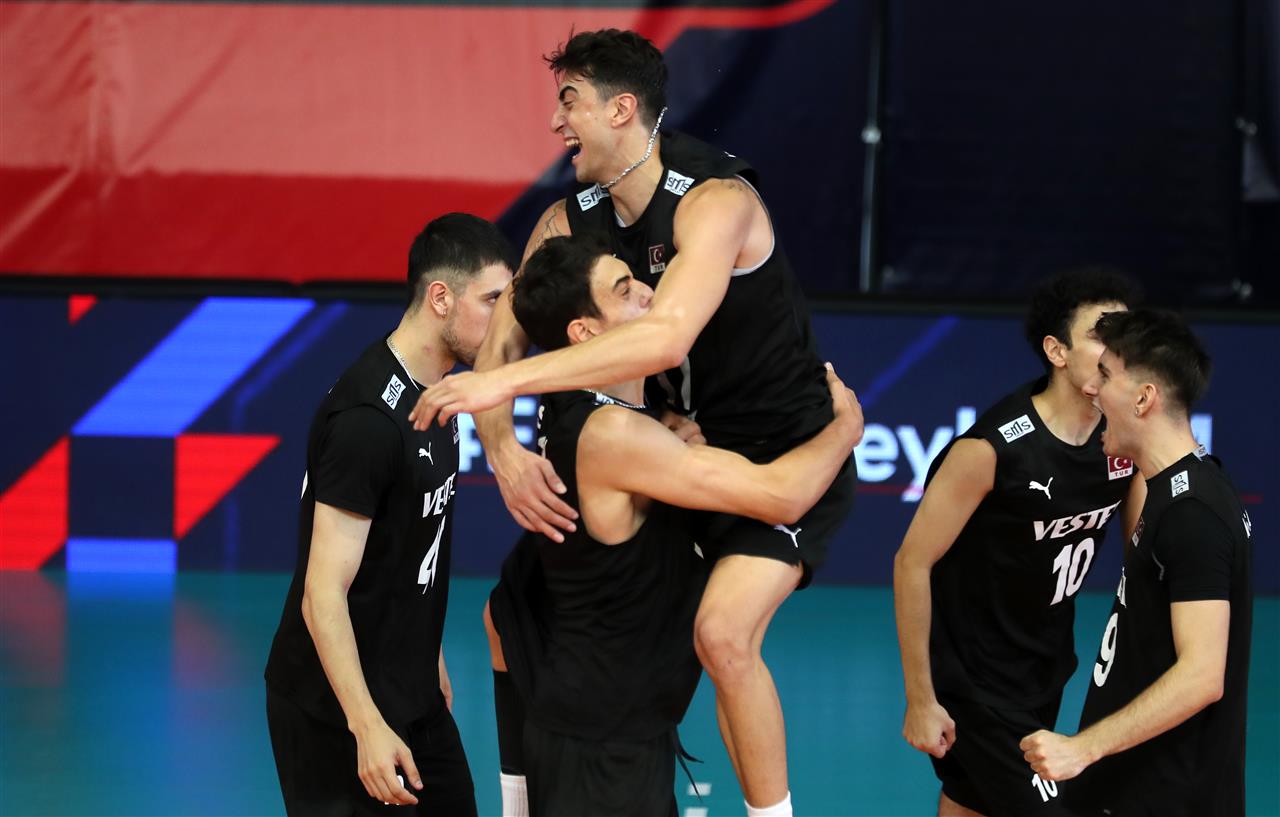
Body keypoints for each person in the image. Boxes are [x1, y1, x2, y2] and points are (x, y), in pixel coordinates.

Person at [410, 30, 861, 815]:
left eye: (570, 101)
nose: (556, 121)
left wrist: (501, 386)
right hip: (673, 452)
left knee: (722, 635)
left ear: (622, 110)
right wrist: (505, 451)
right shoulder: (569, 219)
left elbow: (667, 337)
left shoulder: (718, 202)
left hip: (782, 455)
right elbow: (503, 338)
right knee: (510, 606)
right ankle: (519, 801)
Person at [486, 234, 862, 816]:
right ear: (583, 332)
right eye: (623, 291)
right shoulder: (613, 435)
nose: (648, 291)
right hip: (601, 754)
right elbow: (782, 497)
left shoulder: (596, 414)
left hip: (615, 733)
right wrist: (843, 431)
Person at [263, 213, 516, 816]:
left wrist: (428, 655)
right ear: (440, 298)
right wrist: (366, 727)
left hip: (413, 693)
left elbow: (409, 546)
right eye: (492, 300)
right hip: (336, 716)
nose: (505, 319)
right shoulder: (367, 423)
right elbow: (322, 594)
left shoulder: (438, 396)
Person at [893, 268, 1145, 817]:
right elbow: (912, 562)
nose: (1118, 349)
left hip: (1045, 668)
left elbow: (1144, 552)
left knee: (970, 803)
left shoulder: (1121, 442)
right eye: (1101, 335)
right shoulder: (991, 450)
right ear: (1057, 351)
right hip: (974, 682)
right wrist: (920, 698)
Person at [1020, 309, 1253, 817]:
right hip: (1126, 787)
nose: (1092, 389)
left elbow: (1202, 675)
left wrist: (1082, 748)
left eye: (1106, 376)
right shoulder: (1171, 490)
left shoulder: (1194, 514)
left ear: (1144, 399)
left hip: (1164, 797)